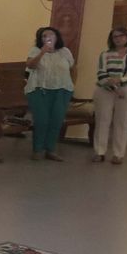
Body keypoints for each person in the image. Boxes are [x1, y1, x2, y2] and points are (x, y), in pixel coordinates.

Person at [92, 27, 127, 164]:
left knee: (122, 122)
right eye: (115, 36)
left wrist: (120, 80)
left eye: (121, 35)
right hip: (105, 89)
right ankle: (99, 152)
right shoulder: (105, 54)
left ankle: (118, 154)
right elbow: (101, 73)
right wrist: (114, 88)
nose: (118, 39)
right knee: (102, 120)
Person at [25, 26, 76, 161]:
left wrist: (71, 85)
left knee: (57, 120)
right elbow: (30, 65)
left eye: (51, 35)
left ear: (57, 37)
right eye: (44, 36)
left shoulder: (64, 51)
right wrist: (42, 52)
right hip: (39, 89)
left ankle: (50, 149)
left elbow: (72, 68)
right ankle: (37, 149)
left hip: (62, 90)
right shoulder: (35, 50)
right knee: (41, 120)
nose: (47, 38)